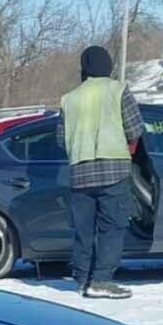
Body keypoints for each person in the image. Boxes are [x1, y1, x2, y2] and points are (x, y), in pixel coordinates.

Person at [59, 45, 144, 299]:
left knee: (83, 229)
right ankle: (102, 280)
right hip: (113, 170)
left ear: (83, 68)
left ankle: (82, 278)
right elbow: (135, 128)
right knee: (112, 227)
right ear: (108, 65)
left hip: (80, 173)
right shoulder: (117, 90)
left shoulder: (69, 98)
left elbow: (60, 139)